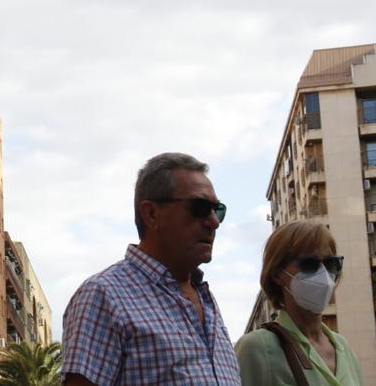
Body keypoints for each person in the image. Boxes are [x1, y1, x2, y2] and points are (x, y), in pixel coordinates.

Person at [61, 152, 242, 385]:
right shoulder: (103, 296)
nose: (213, 222)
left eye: (217, 210)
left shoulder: (206, 301)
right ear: (152, 214)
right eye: (199, 207)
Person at [235, 220, 364, 385]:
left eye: (331, 263)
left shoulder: (344, 348)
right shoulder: (257, 348)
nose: (323, 274)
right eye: (309, 264)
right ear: (277, 274)